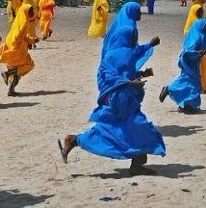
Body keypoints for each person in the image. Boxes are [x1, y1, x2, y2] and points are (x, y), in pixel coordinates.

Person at [58, 12, 164, 176]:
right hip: (118, 100)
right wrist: (131, 82)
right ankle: (74, 140)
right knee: (128, 128)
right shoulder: (116, 56)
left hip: (124, 99)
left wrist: (142, 74)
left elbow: (125, 73)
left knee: (128, 128)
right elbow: (112, 77)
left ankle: (76, 141)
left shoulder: (121, 53)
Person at [160, 15, 206, 113]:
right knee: (192, 83)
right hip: (188, 63)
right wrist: (198, 53)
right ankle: (180, 99)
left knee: (188, 81)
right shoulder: (197, 38)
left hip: (195, 64)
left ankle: (183, 103)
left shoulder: (203, 37)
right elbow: (189, 51)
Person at [0, 4, 37, 96]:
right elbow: (19, 37)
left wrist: (28, 43)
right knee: (29, 65)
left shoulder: (19, 21)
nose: (32, 12)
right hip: (17, 51)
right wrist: (30, 41)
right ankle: (7, 73)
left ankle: (11, 90)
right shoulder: (23, 23)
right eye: (30, 11)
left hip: (12, 49)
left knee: (16, 74)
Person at [182, 4, 206, 93]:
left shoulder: (204, 22)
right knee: (198, 71)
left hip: (204, 52)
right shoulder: (190, 26)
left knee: (204, 70)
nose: (200, 12)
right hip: (195, 53)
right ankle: (200, 87)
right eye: (198, 11)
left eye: (201, 10)